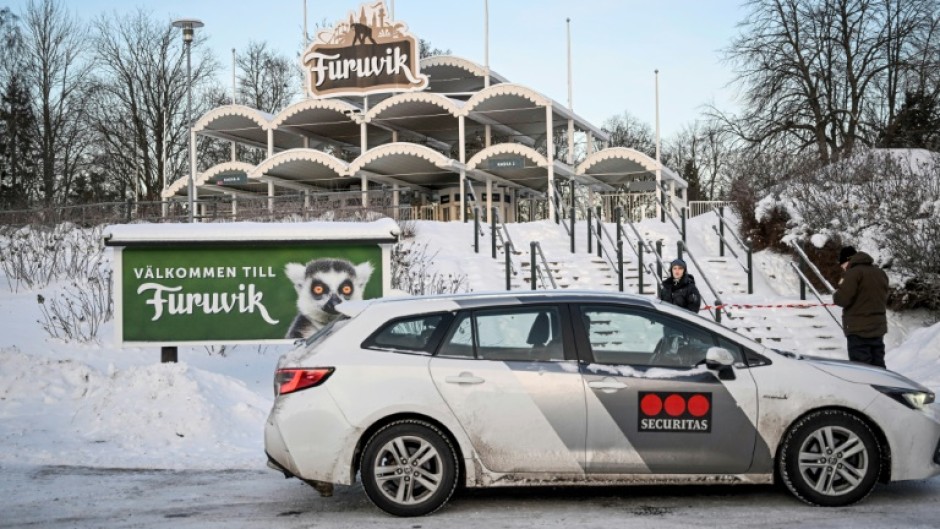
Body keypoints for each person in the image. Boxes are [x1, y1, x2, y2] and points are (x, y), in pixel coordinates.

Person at [832, 245, 890, 368]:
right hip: (878, 327)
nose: (842, 268)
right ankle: (882, 387)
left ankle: (867, 388)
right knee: (878, 367)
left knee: (862, 369)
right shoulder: (880, 272)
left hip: (859, 329)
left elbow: (842, 299)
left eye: (842, 264)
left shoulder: (853, 273)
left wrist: (836, 295)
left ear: (847, 261)